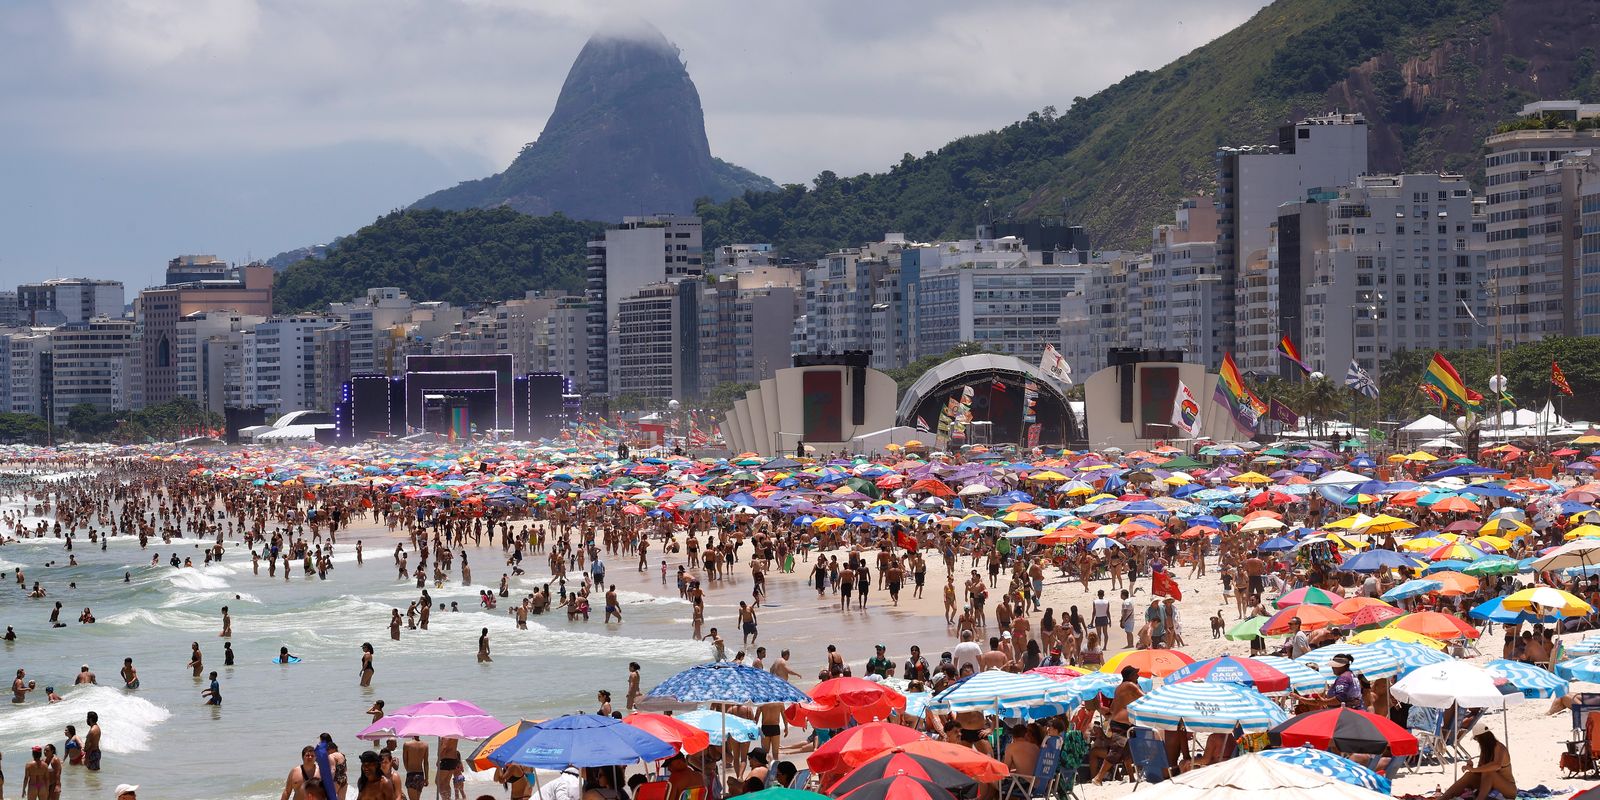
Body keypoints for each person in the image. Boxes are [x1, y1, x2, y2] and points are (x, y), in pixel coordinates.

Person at [1438, 724, 1516, 800]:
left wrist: (1474, 770)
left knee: (1489, 772)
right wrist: (1471, 767)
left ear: (1482, 738)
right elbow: (1480, 771)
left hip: (1508, 789)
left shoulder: (1499, 747)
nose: (1477, 741)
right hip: (1490, 786)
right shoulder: (1485, 750)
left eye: (1476, 739)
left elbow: (1496, 765)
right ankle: (1444, 797)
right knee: (1469, 775)